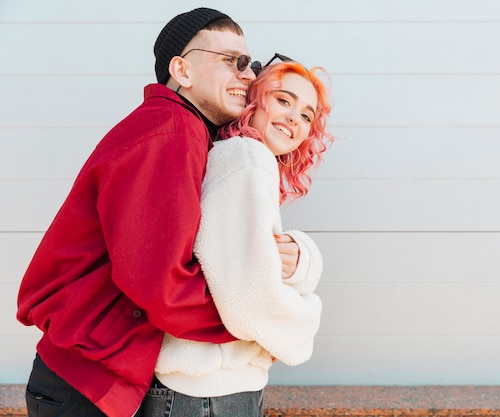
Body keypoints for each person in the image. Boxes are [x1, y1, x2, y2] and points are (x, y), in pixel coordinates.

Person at [15, 8, 299, 417]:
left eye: (252, 65)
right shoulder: (172, 131)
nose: (249, 76)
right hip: (85, 387)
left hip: (86, 375)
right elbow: (163, 287)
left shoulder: (190, 133)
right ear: (182, 71)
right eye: (231, 61)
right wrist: (258, 329)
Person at [141, 60, 334, 416]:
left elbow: (237, 266)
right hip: (208, 394)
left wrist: (303, 260)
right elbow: (249, 297)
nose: (294, 118)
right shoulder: (247, 157)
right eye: (283, 100)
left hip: (205, 388)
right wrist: (302, 329)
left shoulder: (238, 158)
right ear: (253, 101)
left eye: (307, 116)